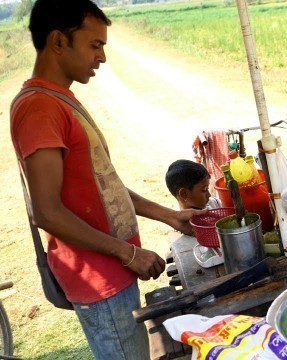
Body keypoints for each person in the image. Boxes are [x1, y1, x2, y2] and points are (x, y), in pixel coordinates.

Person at [9, 1, 204, 358]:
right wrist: (128, 253)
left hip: (112, 271)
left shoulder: (60, 100)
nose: (101, 58)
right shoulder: (39, 108)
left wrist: (169, 215)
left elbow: (105, 185)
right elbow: (47, 212)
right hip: (98, 279)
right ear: (58, 41)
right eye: (95, 45)